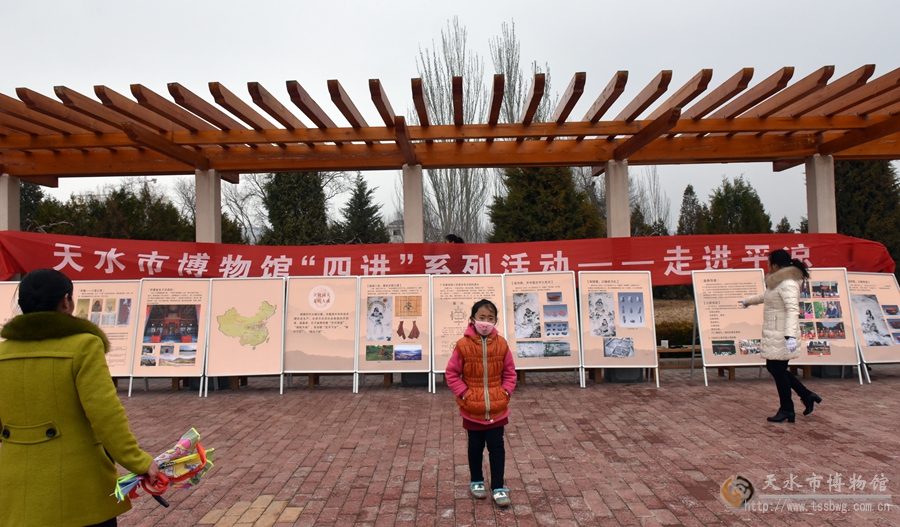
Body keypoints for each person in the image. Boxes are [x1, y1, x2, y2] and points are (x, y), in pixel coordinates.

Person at [0, 268, 158, 527]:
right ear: (66, 301)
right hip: (77, 487)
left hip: (16, 488)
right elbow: (106, 415)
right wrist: (138, 461)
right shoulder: (83, 346)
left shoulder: (3, 353)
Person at [445, 299, 516, 506]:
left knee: (497, 447)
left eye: (490, 318)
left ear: (495, 321)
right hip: (472, 409)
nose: (485, 322)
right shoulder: (463, 345)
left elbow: (510, 372)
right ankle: (476, 481)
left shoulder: (502, 344)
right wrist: (465, 395)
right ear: (473, 319)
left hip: (497, 408)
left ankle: (498, 486)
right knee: (475, 447)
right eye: (482, 317)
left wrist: (505, 392)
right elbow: (452, 373)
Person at [740, 250, 823, 423]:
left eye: (769, 263)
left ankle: (787, 408)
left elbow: (793, 310)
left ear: (776, 265)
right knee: (775, 368)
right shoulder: (778, 283)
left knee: (777, 369)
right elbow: (767, 296)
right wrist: (748, 301)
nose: (767, 266)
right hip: (774, 332)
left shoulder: (788, 284)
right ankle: (805, 396)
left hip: (782, 334)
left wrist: (790, 336)